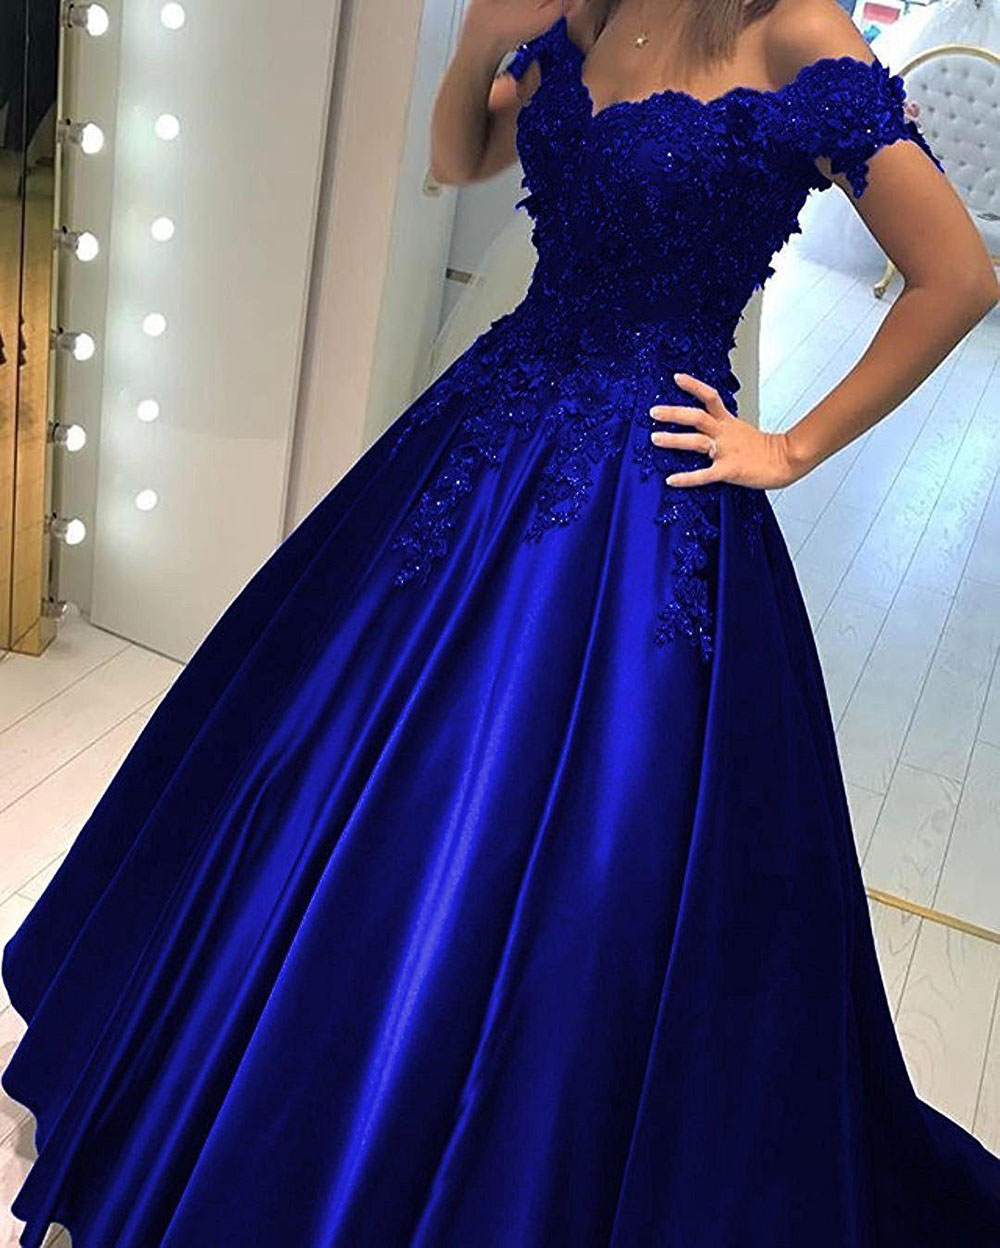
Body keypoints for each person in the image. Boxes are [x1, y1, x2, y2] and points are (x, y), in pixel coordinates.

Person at [3, 0, 999, 1244]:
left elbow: (957, 276)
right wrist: (481, 40)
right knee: (327, 755)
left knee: (591, 849)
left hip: (639, 501)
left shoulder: (794, 34)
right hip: (485, 428)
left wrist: (789, 447)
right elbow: (459, 156)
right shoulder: (583, 13)